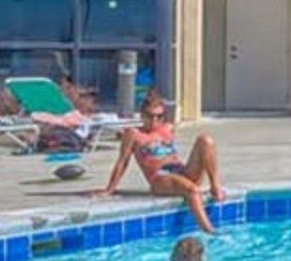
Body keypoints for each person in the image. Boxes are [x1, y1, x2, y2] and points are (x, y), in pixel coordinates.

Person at [94, 92, 225, 234]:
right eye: (150, 116)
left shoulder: (168, 128)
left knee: (205, 140)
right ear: (142, 115)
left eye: (159, 116)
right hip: (160, 177)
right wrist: (109, 189)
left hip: (180, 171)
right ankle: (210, 232)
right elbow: (122, 162)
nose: (154, 120)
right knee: (192, 191)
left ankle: (215, 186)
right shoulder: (133, 134)